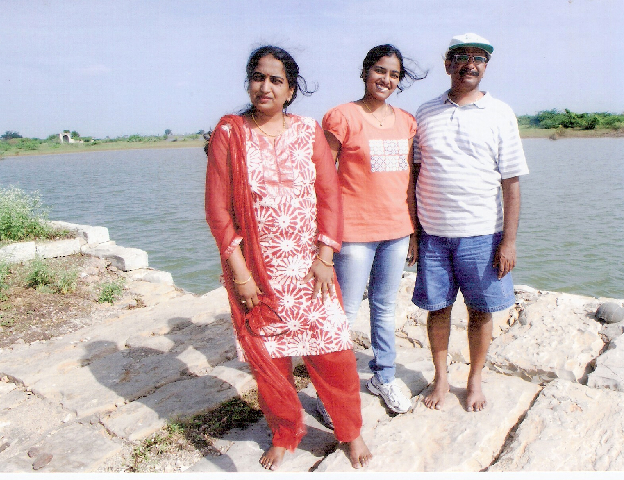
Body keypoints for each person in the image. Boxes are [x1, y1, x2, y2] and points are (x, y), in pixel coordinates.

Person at [205, 45, 372, 470]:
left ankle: (349, 431)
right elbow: (218, 209)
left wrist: (324, 254)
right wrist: (240, 274)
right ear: (249, 83)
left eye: (276, 80)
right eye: (258, 77)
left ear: (291, 90)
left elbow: (329, 195)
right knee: (271, 359)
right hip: (258, 269)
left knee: (332, 351)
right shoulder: (230, 133)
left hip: (309, 267)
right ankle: (285, 431)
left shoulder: (307, 130)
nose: (266, 86)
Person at [412, 34, 529, 412]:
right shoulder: (425, 112)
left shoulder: (501, 113)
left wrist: (508, 242)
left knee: (481, 311)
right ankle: (441, 377)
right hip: (432, 234)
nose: (470, 64)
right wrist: (414, 233)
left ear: (485, 67)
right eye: (461, 57)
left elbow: (511, 185)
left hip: (482, 234)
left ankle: (475, 379)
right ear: (447, 64)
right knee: (438, 309)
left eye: (479, 58)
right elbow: (413, 175)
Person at [322, 44, 426, 415]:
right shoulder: (342, 117)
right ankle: (332, 390)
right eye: (380, 71)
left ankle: (383, 376)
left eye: (394, 74)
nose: (386, 79)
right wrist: (325, 235)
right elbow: (323, 177)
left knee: (383, 309)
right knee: (344, 313)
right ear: (365, 72)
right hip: (353, 234)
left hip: (396, 230)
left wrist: (413, 229)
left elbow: (409, 179)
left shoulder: (407, 121)